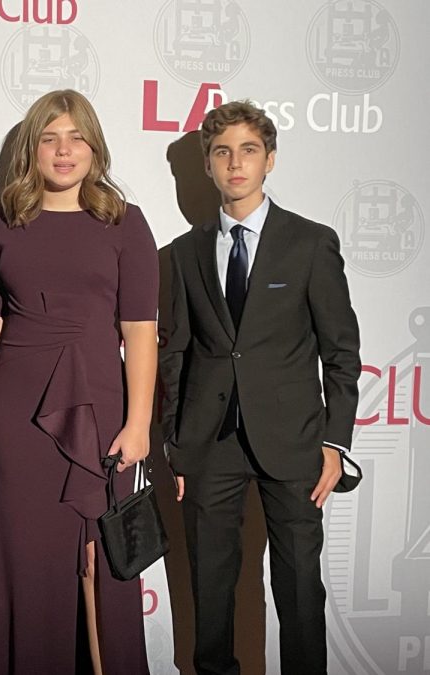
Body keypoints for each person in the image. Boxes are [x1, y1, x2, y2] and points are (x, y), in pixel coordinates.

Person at [160, 100, 361, 674]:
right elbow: (175, 357)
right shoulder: (181, 254)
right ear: (207, 165)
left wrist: (336, 442)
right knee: (211, 591)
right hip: (208, 444)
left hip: (295, 443)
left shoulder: (309, 243)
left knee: (300, 590)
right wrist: (176, 445)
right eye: (222, 152)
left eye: (248, 150)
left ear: (269, 159)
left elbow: (341, 352)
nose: (235, 163)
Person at [0, 90, 158, 674]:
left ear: (94, 147)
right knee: (21, 555)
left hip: (101, 410)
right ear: (32, 149)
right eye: (50, 138)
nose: (63, 150)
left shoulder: (125, 223)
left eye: (76, 137)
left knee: (102, 561)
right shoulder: (0, 223)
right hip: (15, 412)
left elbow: (142, 329)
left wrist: (140, 420)